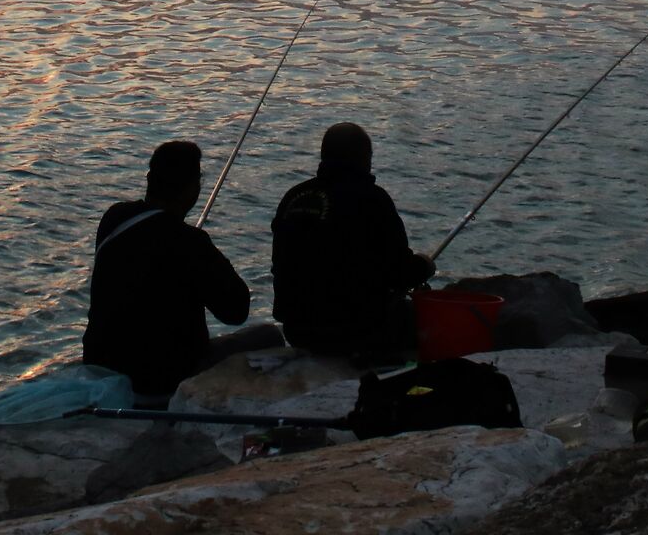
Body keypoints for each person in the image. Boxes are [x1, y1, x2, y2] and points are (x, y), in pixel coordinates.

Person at [83, 139, 251, 403]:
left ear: (150, 178)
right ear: (193, 188)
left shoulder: (114, 218)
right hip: (163, 379)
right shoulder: (190, 242)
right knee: (268, 335)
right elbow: (236, 311)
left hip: (102, 365)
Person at [270, 122, 435, 358]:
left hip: (298, 330)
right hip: (356, 331)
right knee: (421, 320)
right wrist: (425, 265)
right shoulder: (373, 200)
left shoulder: (294, 197)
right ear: (364, 158)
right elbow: (399, 271)